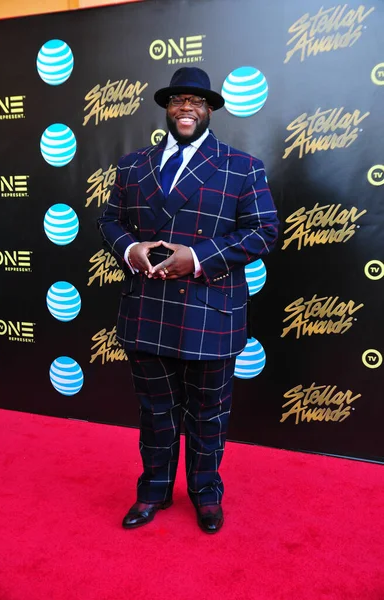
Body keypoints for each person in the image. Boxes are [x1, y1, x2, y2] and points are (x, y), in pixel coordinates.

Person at [98, 67, 279, 534]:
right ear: (166, 107)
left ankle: (205, 493)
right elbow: (109, 221)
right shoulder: (131, 165)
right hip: (147, 307)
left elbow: (264, 230)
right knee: (155, 412)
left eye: (196, 101)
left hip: (210, 311)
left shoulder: (243, 166)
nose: (186, 108)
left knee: (208, 413)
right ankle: (153, 490)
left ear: (210, 109)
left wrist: (198, 258)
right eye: (178, 99)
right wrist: (130, 249)